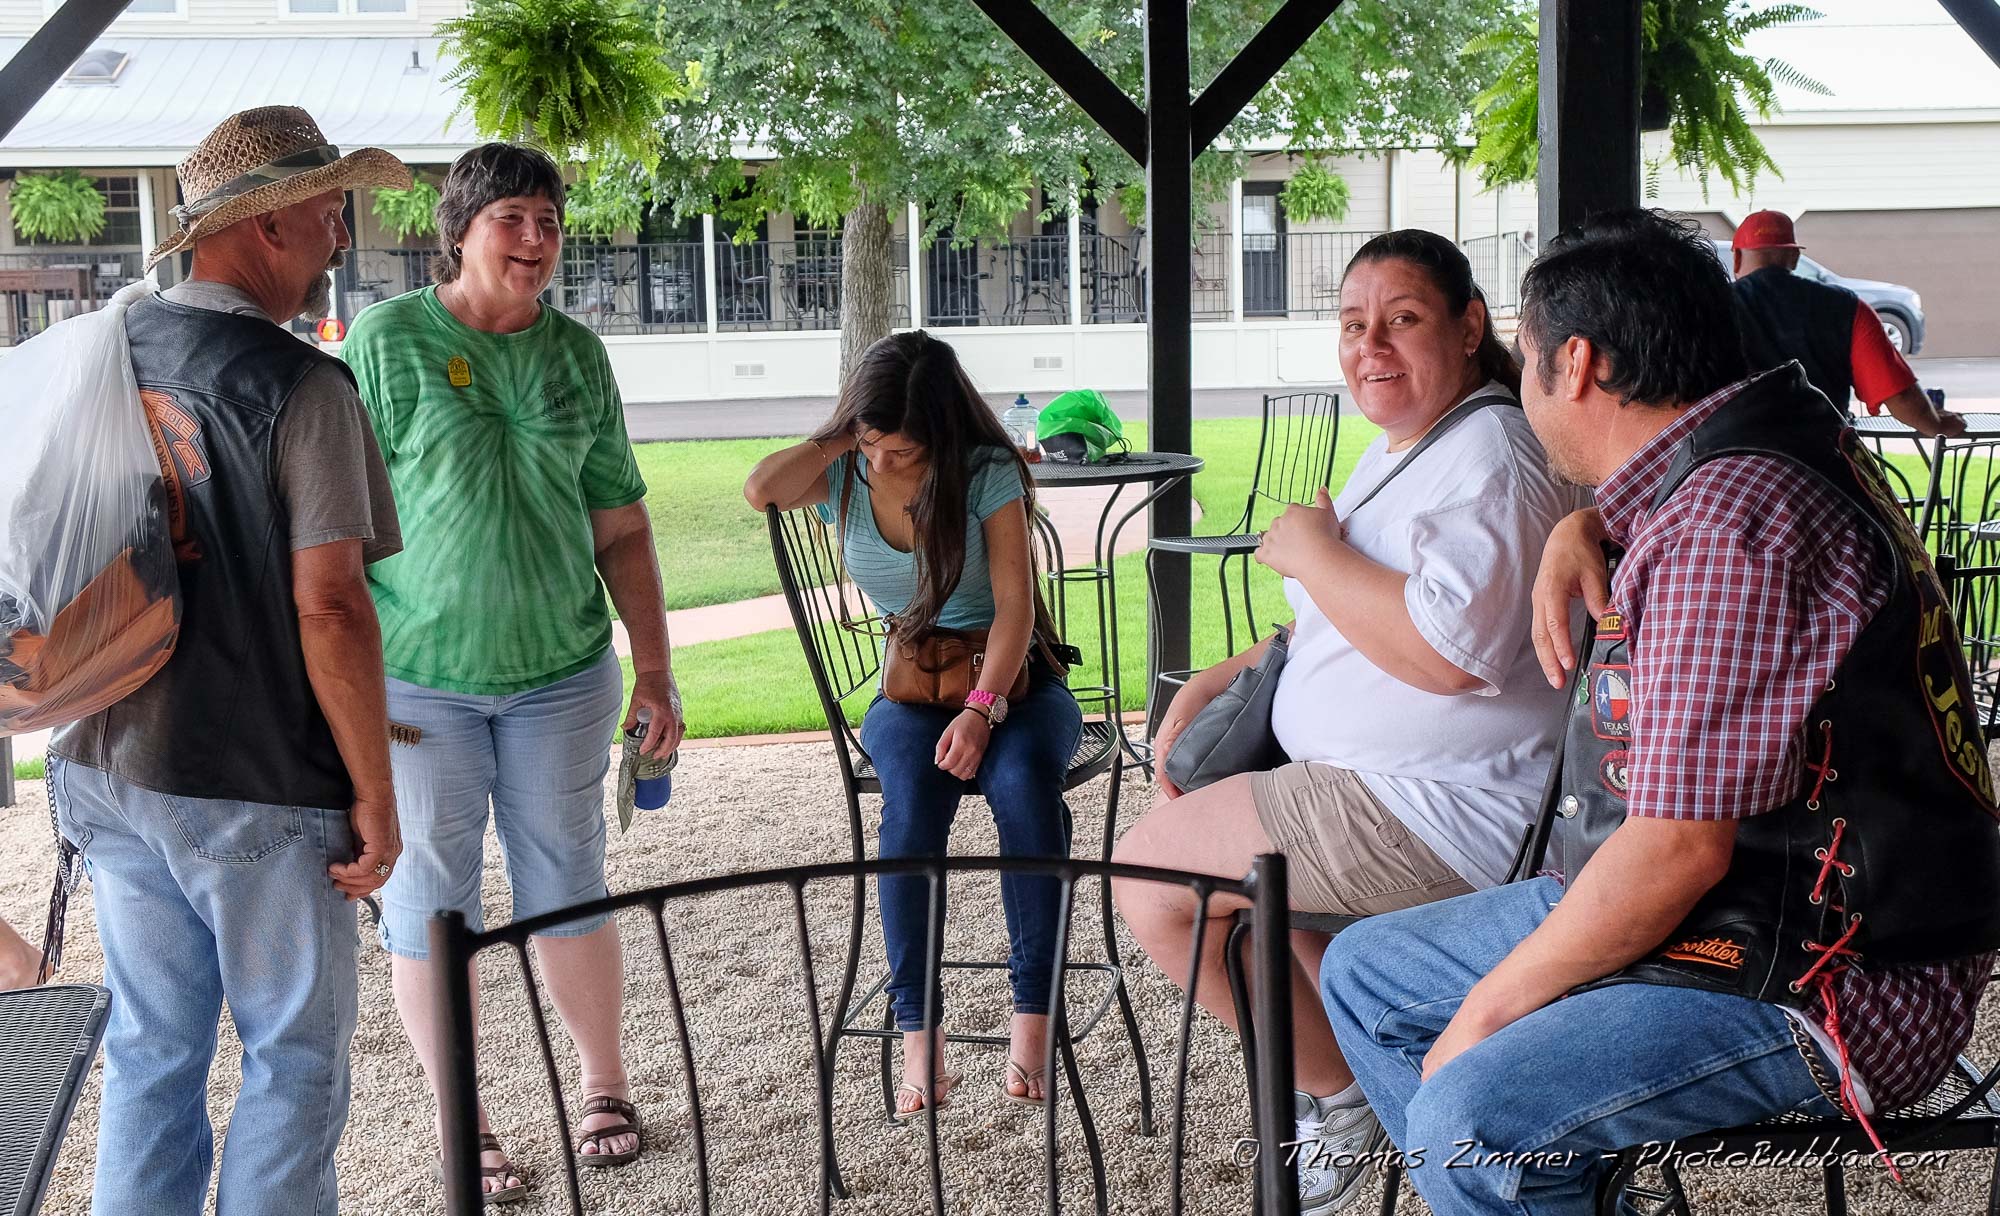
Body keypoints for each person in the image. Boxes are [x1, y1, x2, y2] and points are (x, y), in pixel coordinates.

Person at [1321, 210, 2000, 1216]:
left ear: (1577, 364)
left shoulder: (1726, 527)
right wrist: (1584, 526)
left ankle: (1504, 1175)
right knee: (1363, 972)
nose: (1520, 383)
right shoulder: (1754, 447)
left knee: (1471, 1116)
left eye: (1527, 356)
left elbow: (1679, 850)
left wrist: (1485, 1016)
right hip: (1750, 898)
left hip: (1829, 971)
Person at [1112, 230, 1586, 1214]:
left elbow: (1452, 653)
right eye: (1352, 322)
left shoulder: (1491, 454)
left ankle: (1340, 1095)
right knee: (1225, 883)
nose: (1370, 344)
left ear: (1468, 327)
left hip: (1441, 809)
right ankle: (1376, 1080)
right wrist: (1227, 674)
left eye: (1400, 319)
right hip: (1376, 790)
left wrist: (1310, 552)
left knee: (1151, 881)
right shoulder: (1411, 444)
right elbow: (1343, 615)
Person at [45, 106, 407, 1215]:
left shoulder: (103, 350)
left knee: (152, 1049)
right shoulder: (303, 385)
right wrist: (376, 792)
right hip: (255, 775)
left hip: (107, 755)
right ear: (267, 226)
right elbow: (332, 606)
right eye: (329, 211)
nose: (339, 236)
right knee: (293, 1060)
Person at [340, 143, 683, 1197]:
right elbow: (336, 526)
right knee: (428, 896)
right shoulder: (388, 341)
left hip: (561, 675)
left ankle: (604, 1086)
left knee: (568, 874)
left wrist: (656, 671)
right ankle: (466, 1116)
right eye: (510, 219)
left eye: (548, 221)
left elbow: (621, 527)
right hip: (414, 681)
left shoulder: (577, 354)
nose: (534, 240)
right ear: (460, 231)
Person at [744, 330, 1079, 1119]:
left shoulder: (986, 472)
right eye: (874, 444)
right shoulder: (846, 468)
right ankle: (919, 1035)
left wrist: (981, 711)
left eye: (904, 450)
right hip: (909, 688)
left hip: (1012, 682)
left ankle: (1032, 1017)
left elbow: (1015, 608)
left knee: (1023, 785)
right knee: (911, 808)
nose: (885, 461)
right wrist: (844, 437)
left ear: (942, 434)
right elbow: (760, 489)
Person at [1730, 209, 1963, 436]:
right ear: (1794, 257)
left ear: (1737, 258)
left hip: (1732, 450)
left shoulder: (1718, 306)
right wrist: (1937, 425)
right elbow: (1898, 395)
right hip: (1823, 452)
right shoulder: (1847, 307)